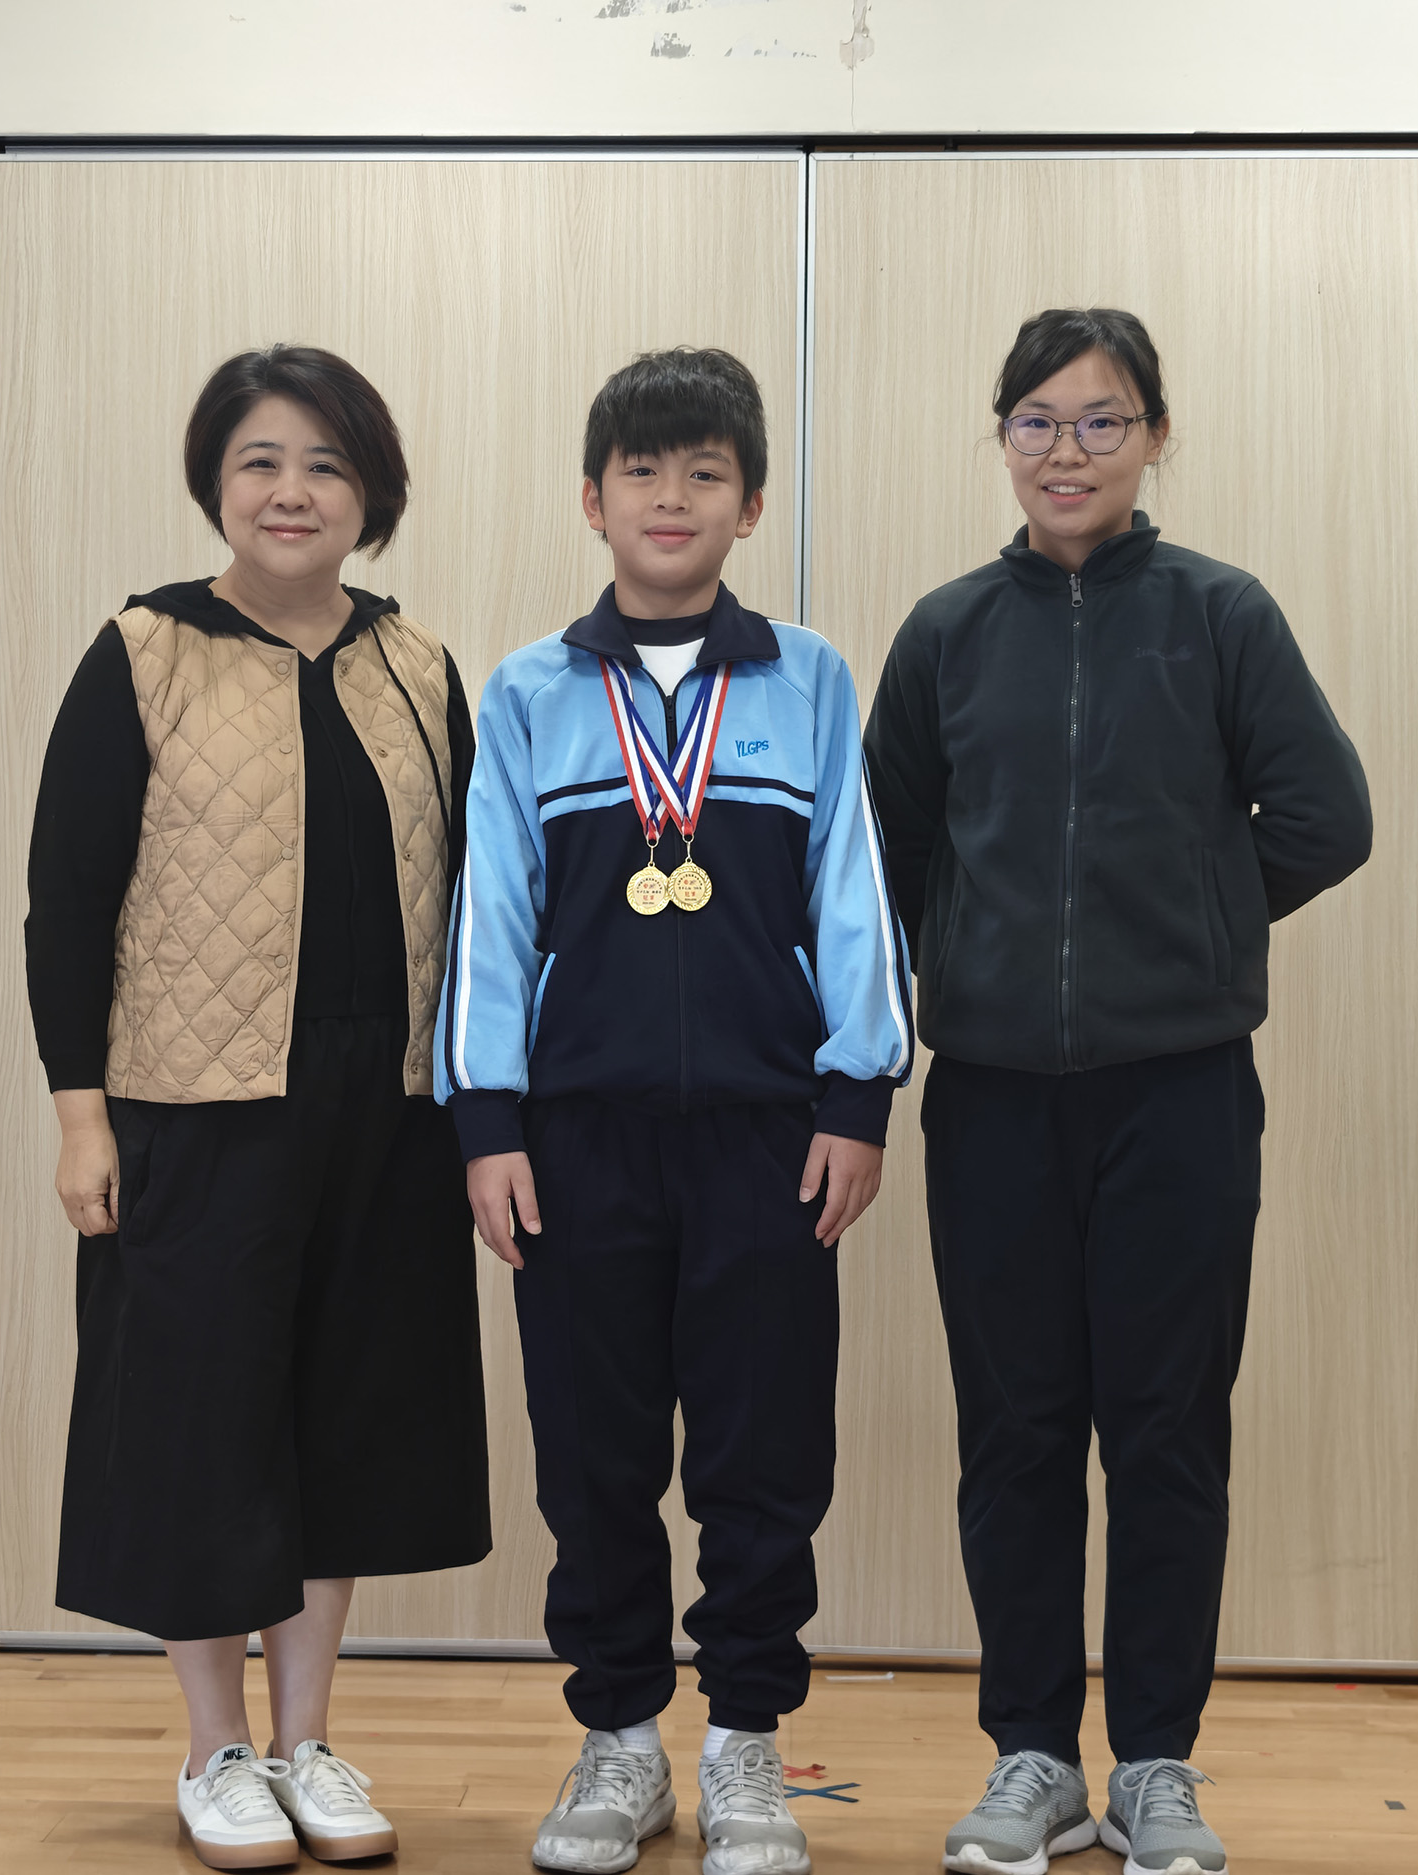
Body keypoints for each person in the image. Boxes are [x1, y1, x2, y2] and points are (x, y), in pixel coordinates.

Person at [865, 309, 1371, 1875]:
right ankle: (1031, 1758)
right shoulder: (948, 632)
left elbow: (1327, 814)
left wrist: (1192, 929)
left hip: (1180, 1097)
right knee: (1016, 1434)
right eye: (1037, 420)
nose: (1067, 451)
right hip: (993, 1099)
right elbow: (886, 852)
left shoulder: (1219, 616)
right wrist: (984, 958)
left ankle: (1155, 1764)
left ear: (1154, 437)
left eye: (1101, 421)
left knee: (1165, 1435)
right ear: (1001, 438)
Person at [439, 347, 914, 1875]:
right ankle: (621, 1741)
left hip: (773, 1138)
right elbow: (491, 917)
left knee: (764, 1453)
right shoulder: (530, 692)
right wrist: (486, 1122)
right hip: (575, 1141)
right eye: (640, 471)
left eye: (705, 472)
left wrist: (859, 1094)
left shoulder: (810, 678)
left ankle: (747, 1742)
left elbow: (856, 898)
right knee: (594, 1454)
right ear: (592, 500)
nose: (671, 497)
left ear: (750, 504)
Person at [25, 345, 491, 1871]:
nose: (294, 492)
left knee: (341, 1421)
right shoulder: (145, 651)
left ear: (372, 492)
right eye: (262, 463)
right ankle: (215, 1750)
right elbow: (67, 902)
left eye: (326, 466)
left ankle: (307, 1744)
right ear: (216, 484)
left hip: (387, 1106)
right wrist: (81, 1115)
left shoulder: (417, 665)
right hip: (197, 1104)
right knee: (202, 1426)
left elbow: (478, 899)